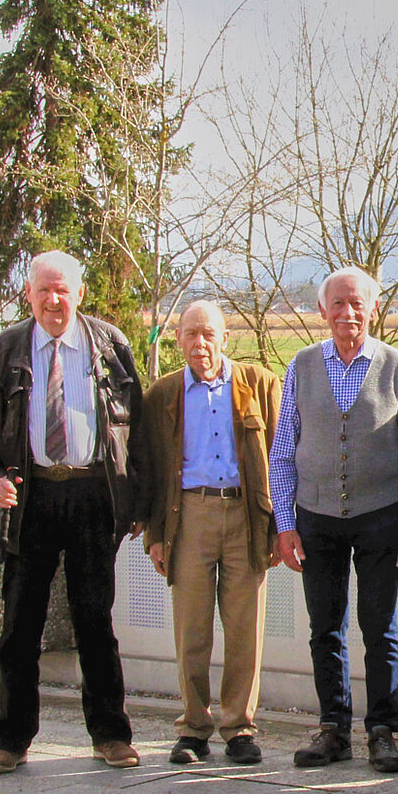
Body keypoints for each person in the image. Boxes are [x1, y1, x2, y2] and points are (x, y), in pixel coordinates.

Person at [0, 250, 144, 774]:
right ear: (29, 295)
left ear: (80, 293)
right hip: (28, 497)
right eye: (44, 289)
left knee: (95, 621)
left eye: (63, 289)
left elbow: (137, 429)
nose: (54, 299)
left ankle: (110, 734)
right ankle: (11, 738)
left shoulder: (110, 346)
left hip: (92, 497)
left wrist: (137, 501)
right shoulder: (4, 352)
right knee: (20, 625)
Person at [271, 266, 398, 772]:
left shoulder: (396, 366)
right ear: (323, 310)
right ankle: (333, 729)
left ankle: (383, 731)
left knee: (379, 627)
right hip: (316, 517)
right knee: (325, 627)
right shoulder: (301, 366)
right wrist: (285, 523)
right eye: (338, 303)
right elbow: (282, 450)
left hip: (381, 515)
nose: (348, 313)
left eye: (357, 302)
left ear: (373, 308)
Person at [137, 300, 281, 766]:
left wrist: (280, 528)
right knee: (192, 630)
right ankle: (193, 729)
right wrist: (155, 535)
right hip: (189, 517)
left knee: (244, 630)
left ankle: (239, 728)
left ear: (225, 337)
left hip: (245, 517)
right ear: (178, 339)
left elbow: (281, 459)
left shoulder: (259, 384)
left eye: (208, 334)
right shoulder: (163, 395)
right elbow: (151, 470)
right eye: (190, 334)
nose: (200, 343)